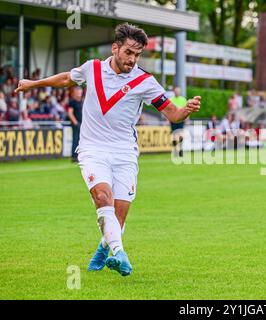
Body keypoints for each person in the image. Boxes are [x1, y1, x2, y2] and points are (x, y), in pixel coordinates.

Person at [14, 23, 201, 277]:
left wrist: (185, 109)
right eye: (128, 53)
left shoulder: (145, 82)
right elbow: (67, 78)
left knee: (118, 218)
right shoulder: (92, 69)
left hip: (125, 154)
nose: (132, 59)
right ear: (115, 48)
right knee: (103, 199)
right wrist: (33, 84)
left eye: (137, 55)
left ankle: (104, 251)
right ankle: (121, 256)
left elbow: (172, 113)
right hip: (93, 150)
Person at [169, 86, 188, 157]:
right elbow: (168, 111)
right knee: (174, 136)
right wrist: (167, 119)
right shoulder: (171, 100)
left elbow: (186, 110)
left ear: (180, 92)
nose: (177, 92)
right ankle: (175, 150)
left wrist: (187, 119)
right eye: (176, 91)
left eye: (178, 91)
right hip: (173, 120)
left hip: (181, 120)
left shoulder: (183, 100)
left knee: (180, 135)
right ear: (174, 92)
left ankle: (180, 149)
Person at [67, 87, 84, 162]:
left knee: (81, 140)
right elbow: (70, 113)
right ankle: (74, 156)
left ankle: (80, 155)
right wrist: (75, 122)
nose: (79, 93)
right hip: (76, 123)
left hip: (82, 123)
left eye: (80, 91)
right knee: (75, 139)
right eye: (78, 91)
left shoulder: (82, 101)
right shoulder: (72, 102)